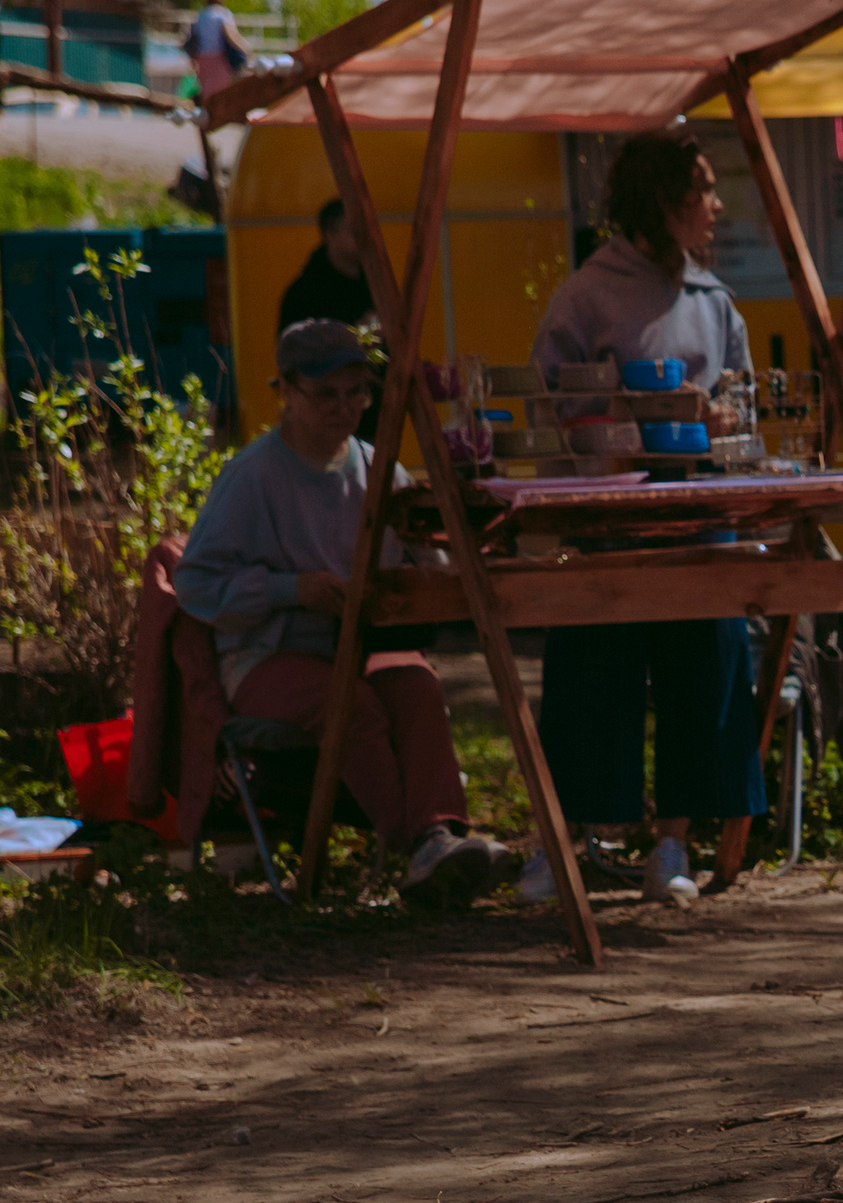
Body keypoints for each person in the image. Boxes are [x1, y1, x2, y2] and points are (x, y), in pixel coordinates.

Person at [174, 320, 501, 904]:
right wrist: (291, 590)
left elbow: (428, 560)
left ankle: (440, 836)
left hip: (362, 648)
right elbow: (195, 585)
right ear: (287, 392)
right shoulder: (252, 475)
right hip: (266, 657)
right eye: (326, 393)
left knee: (417, 684)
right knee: (349, 703)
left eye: (356, 393)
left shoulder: (379, 469)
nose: (344, 407)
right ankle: (417, 846)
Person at [525, 130, 765, 906]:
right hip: (610, 517)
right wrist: (626, 414)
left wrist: (721, 420)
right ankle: (562, 844)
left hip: (699, 512)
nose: (716, 205)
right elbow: (549, 403)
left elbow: (743, 405)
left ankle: (674, 843)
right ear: (664, 201)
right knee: (590, 669)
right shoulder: (587, 294)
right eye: (704, 189)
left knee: (707, 662)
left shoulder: (712, 300)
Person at [281, 200, 379, 440]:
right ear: (330, 235)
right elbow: (292, 359)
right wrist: (355, 337)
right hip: (321, 422)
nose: (364, 237)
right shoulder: (306, 292)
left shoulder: (376, 286)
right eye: (354, 231)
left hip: (374, 414)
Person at [184, 0, 249, 98]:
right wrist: (244, 48)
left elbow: (192, 37)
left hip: (202, 57)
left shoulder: (200, 16)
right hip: (218, 56)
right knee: (220, 92)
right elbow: (231, 35)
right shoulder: (222, 14)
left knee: (207, 90)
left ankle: (206, 107)